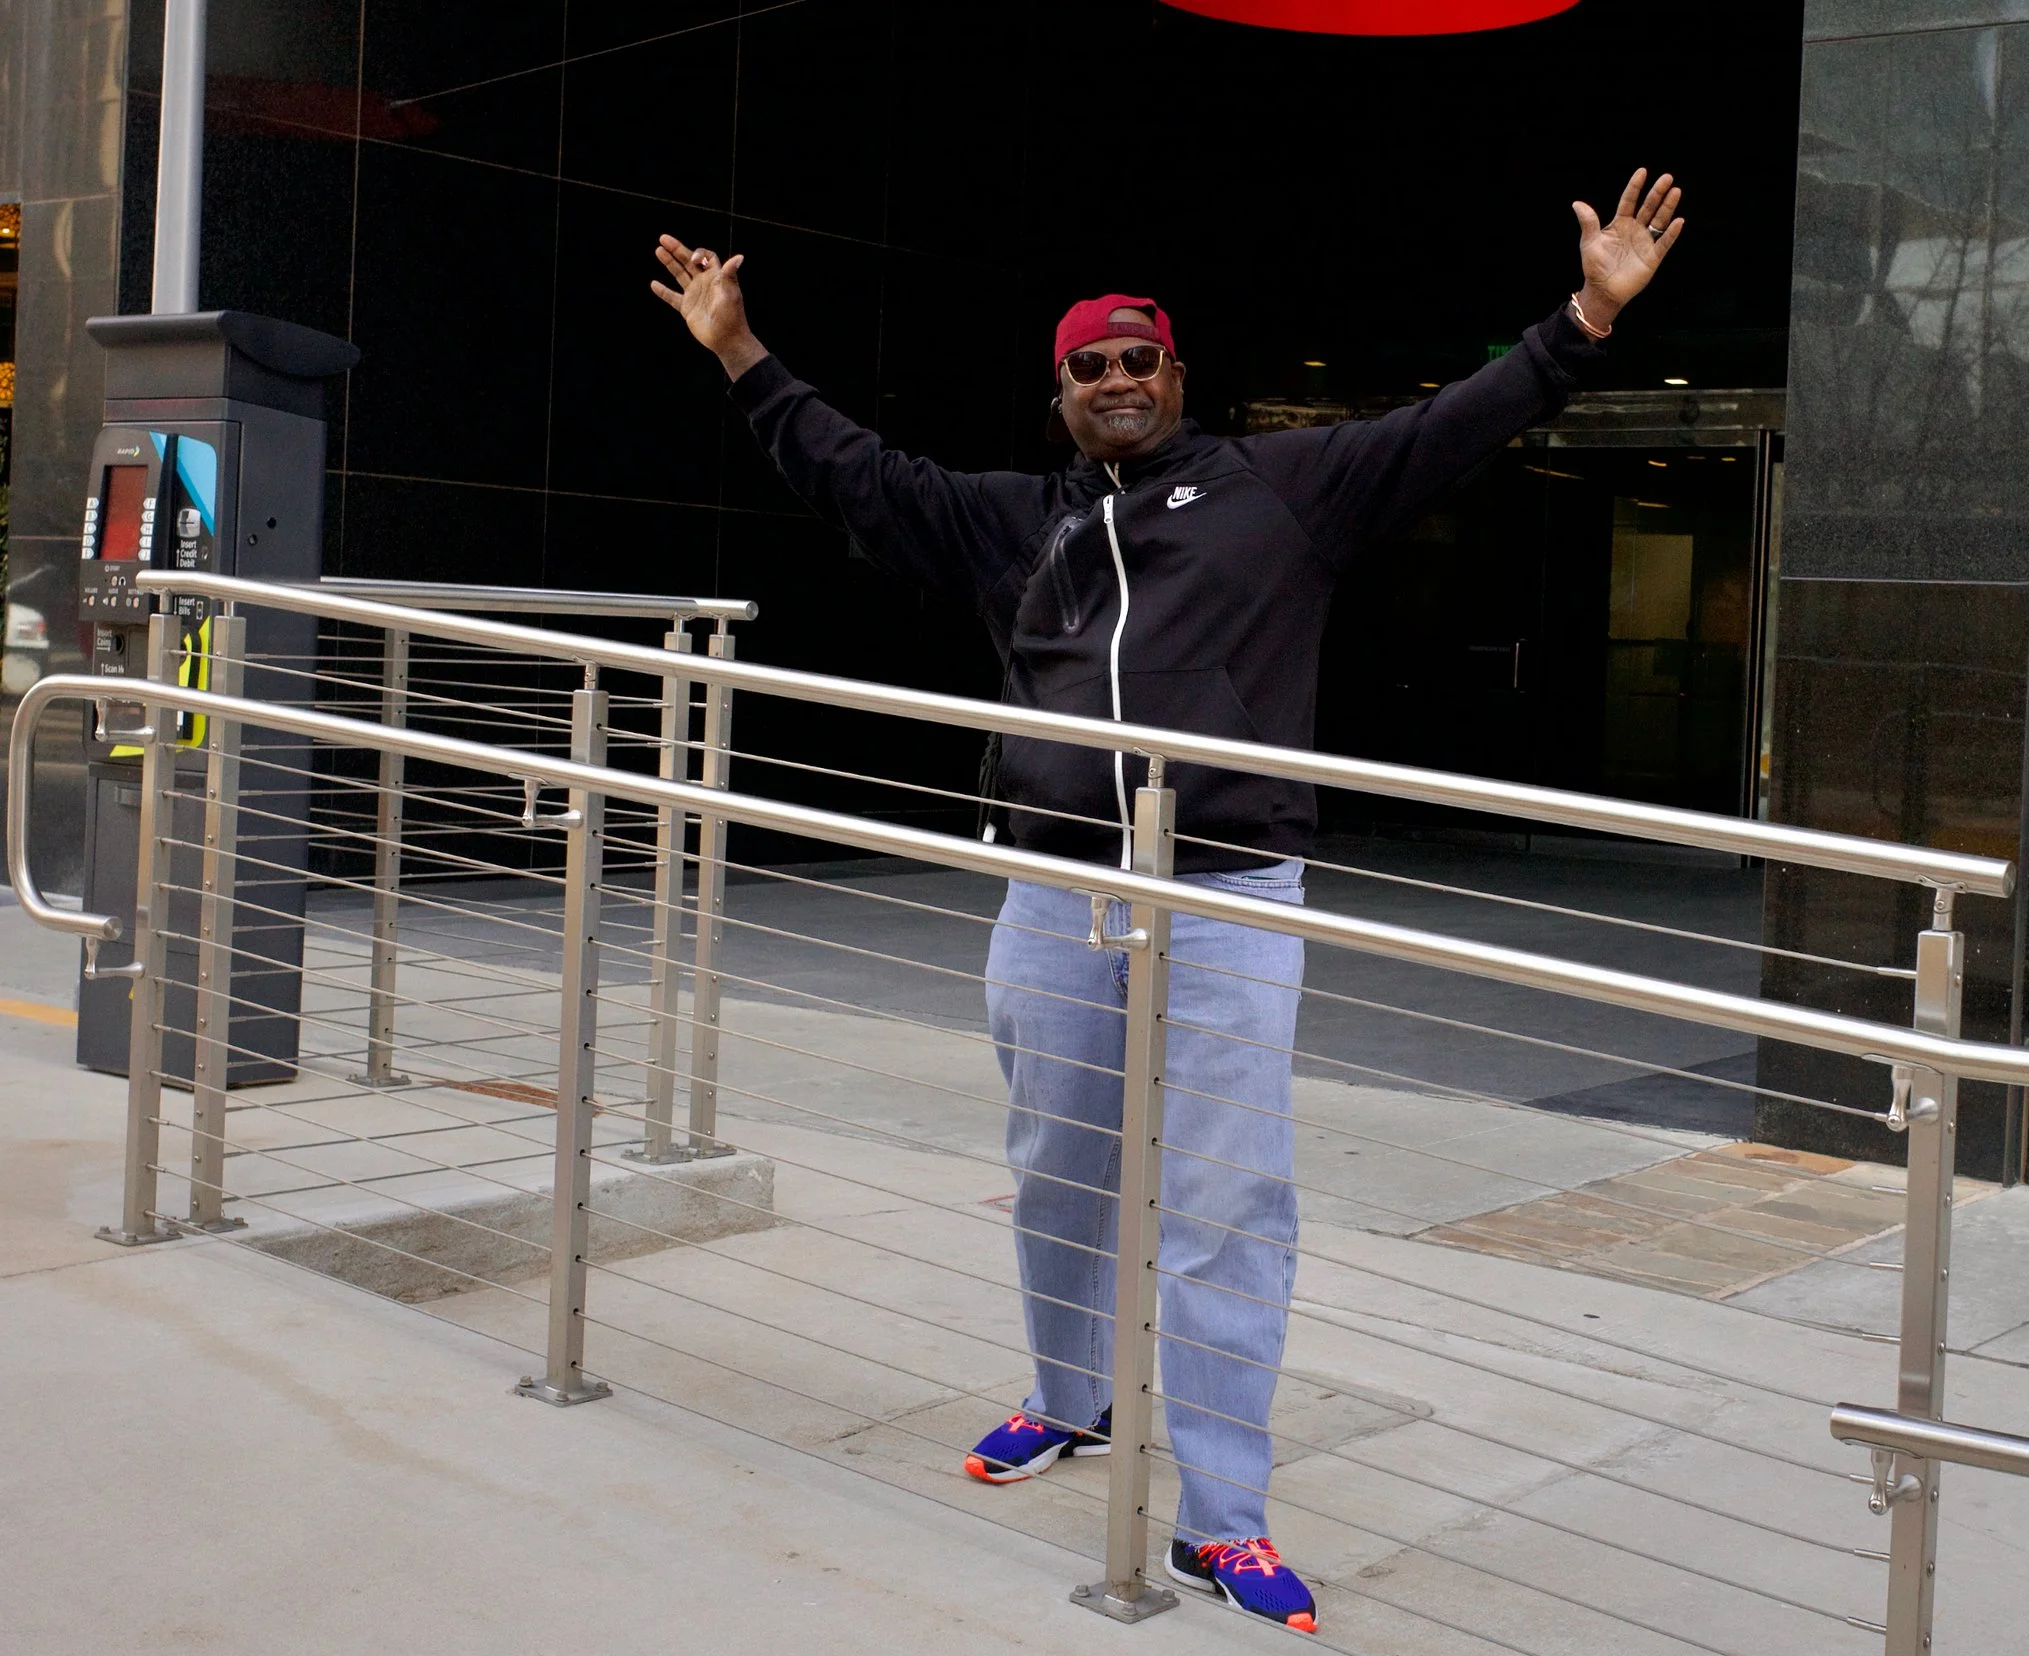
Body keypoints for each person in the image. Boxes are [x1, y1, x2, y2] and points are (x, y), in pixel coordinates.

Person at [651, 168, 1684, 1633]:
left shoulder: (1283, 488)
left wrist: (1584, 318)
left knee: (1225, 1202)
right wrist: (742, 354)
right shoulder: (1017, 522)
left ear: (1177, 377)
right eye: (1094, 365)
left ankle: (1223, 1517)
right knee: (1059, 1166)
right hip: (1059, 889)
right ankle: (1070, 1395)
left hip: (1229, 896)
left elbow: (1456, 425)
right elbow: (857, 472)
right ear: (1060, 392)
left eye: (1143, 359)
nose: (1121, 379)